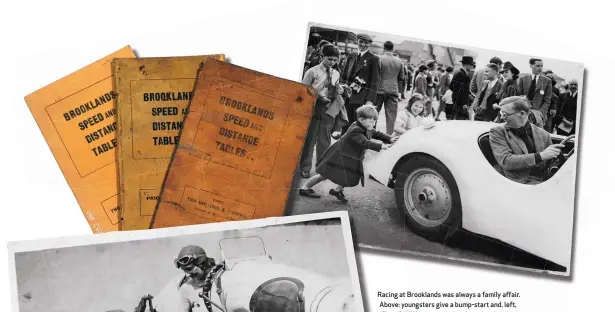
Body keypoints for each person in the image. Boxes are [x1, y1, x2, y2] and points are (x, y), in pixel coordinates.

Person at [298, 105, 398, 203]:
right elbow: (364, 142)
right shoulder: (355, 130)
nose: (373, 123)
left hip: (350, 158)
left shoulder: (366, 127)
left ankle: (337, 191)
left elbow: (376, 133)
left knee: (350, 176)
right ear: (361, 120)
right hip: (338, 156)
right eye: (371, 121)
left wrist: (389, 139)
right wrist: (380, 146)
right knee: (324, 175)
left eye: (375, 121)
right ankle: (304, 188)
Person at [299, 44, 348, 178]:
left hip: (329, 110)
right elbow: (303, 90)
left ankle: (321, 168)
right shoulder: (312, 71)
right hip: (314, 108)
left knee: (325, 140)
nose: (332, 62)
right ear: (322, 56)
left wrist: (340, 89)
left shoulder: (336, 73)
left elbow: (336, 88)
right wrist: (318, 95)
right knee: (310, 139)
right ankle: (305, 167)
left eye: (335, 60)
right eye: (329, 59)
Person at [489, 96, 564, 184]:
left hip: (543, 181)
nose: (502, 118)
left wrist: (557, 157)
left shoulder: (544, 134)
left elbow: (549, 162)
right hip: (516, 183)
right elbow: (506, 161)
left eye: (505, 114)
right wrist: (540, 156)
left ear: (522, 114)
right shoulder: (498, 132)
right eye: (501, 114)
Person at [340, 33, 380, 134]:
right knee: (345, 122)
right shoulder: (351, 55)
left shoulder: (373, 58)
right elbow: (344, 75)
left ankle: (356, 146)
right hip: (347, 95)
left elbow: (375, 81)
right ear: (357, 41)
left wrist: (370, 100)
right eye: (361, 42)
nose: (363, 44)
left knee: (358, 125)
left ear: (369, 44)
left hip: (361, 98)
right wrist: (341, 88)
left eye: (366, 43)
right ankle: (344, 143)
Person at [375, 41, 405, 135]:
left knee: (374, 114)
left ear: (384, 48)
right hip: (393, 90)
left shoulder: (379, 58)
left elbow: (375, 75)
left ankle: (370, 136)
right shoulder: (399, 61)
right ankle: (389, 137)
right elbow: (402, 78)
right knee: (391, 117)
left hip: (379, 90)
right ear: (393, 48)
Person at [517, 58, 552, 128]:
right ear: (531, 66)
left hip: (538, 115)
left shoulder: (547, 81)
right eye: (537, 66)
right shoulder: (523, 79)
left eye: (541, 66)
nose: (540, 68)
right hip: (523, 112)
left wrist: (540, 112)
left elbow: (547, 100)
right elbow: (518, 96)